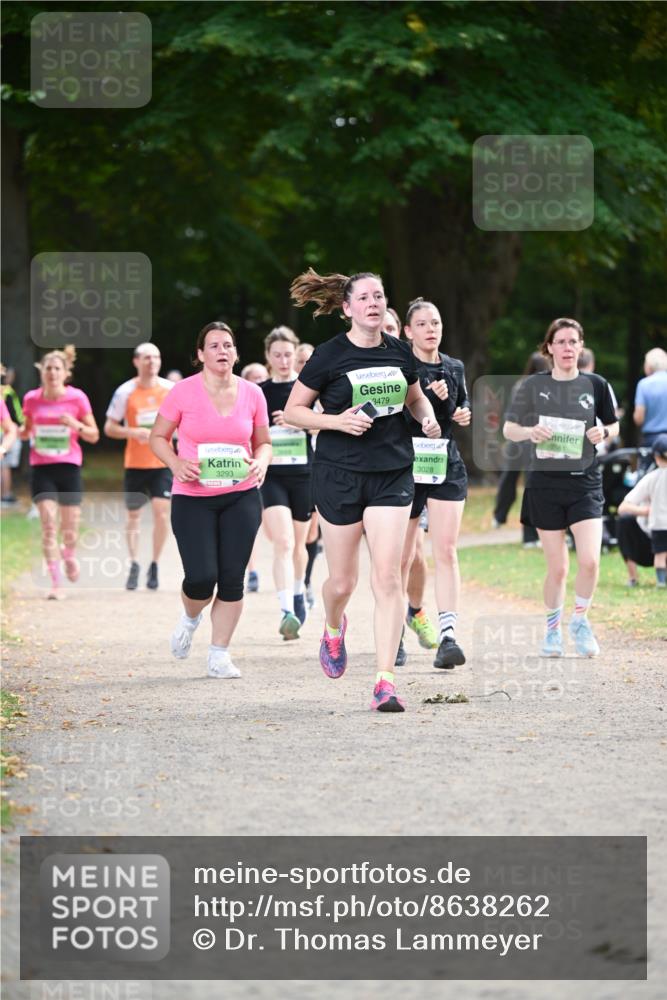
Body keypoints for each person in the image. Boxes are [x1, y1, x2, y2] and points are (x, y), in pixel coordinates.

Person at [284, 268, 440, 713]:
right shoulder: (329, 356)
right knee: (342, 581)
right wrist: (337, 421)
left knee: (388, 576)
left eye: (380, 296)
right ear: (347, 308)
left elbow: (414, 398)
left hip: (392, 471)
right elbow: (295, 412)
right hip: (339, 474)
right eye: (365, 297)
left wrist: (426, 415)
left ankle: (385, 682)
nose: (374, 302)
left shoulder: (398, 352)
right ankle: (334, 626)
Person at [150, 321, 271, 678]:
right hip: (193, 496)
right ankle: (190, 618)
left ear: (235, 353)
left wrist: (261, 462)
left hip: (241, 495)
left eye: (228, 345)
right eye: (214, 346)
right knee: (202, 578)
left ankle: (219, 654)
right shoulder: (182, 392)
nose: (222, 351)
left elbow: (263, 442)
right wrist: (175, 462)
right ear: (200, 354)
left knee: (232, 578)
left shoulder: (253, 393)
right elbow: (157, 436)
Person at [503, 318, 619, 657]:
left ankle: (580, 621)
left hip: (585, 482)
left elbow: (613, 425)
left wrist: (605, 433)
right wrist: (530, 432)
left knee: (590, 561)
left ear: (580, 346)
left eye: (573, 342)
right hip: (545, 484)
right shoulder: (532, 386)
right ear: (549, 347)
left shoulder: (596, 384)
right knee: (558, 567)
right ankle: (552, 631)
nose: (568, 348)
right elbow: (509, 429)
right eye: (561, 342)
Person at [400, 298, 471, 668]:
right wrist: (427, 397)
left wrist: (460, 412)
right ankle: (396, 629)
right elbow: (396, 419)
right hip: (405, 468)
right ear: (408, 331)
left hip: (445, 464)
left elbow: (461, 410)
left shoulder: (455, 367)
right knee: (406, 554)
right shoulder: (400, 366)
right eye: (424, 324)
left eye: (437, 322)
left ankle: (448, 637)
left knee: (446, 549)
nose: (432, 329)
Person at [20, 347, 99, 599]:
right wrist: (15, 431)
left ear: (65, 373)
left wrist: (75, 424)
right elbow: (25, 430)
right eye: (48, 368)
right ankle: (56, 584)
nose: (52, 373)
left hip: (69, 467)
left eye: (57, 368)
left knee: (69, 527)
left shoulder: (77, 398)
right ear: (41, 372)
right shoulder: (31, 399)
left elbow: (94, 435)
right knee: (47, 523)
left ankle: (69, 554)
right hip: (42, 468)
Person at [104, 343, 174, 590]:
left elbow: (186, 421)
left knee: (161, 511)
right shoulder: (125, 392)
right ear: (136, 362)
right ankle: (134, 563)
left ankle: (154, 564)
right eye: (146, 357)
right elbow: (109, 427)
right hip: (135, 462)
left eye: (156, 357)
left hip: (162, 461)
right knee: (133, 516)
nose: (152, 361)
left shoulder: (170, 389)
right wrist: (132, 431)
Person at [260, 326, 314, 638]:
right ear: (268, 357)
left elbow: (324, 428)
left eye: (288, 355)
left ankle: (298, 591)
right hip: (273, 475)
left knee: (300, 545)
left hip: (304, 474)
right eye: (277, 355)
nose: (283, 360)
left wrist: (300, 422)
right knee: (283, 542)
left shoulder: (308, 388)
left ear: (296, 355)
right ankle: (286, 611)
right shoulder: (260, 392)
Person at [493, 352, 550, 545]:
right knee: (528, 486)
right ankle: (529, 535)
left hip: (522, 439)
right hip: (528, 439)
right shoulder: (535, 387)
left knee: (511, 480)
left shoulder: (524, 385)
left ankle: (500, 517)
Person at [618, 434, 667, 588]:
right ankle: (634, 577)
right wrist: (645, 511)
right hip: (648, 538)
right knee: (625, 521)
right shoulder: (651, 479)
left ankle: (660, 581)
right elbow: (623, 508)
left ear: (656, 457)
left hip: (659, 531)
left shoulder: (653, 477)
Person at [240, 361, 270, 592]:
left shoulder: (280, 398)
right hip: (251, 470)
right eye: (254, 378)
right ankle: (251, 571)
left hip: (282, 469)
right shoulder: (241, 402)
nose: (259, 382)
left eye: (262, 377)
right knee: (250, 524)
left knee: (274, 529)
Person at [634, 348, 667, 467]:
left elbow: (639, 418)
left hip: (651, 441)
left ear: (649, 366)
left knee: (646, 479)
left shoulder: (644, 384)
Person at [1, 365, 23, 505]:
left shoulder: (3, 393)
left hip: (5, 434)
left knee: (4, 466)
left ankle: (5, 495)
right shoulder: (7, 392)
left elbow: (11, 425)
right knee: (5, 467)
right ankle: (6, 494)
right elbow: (17, 413)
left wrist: (2, 449)